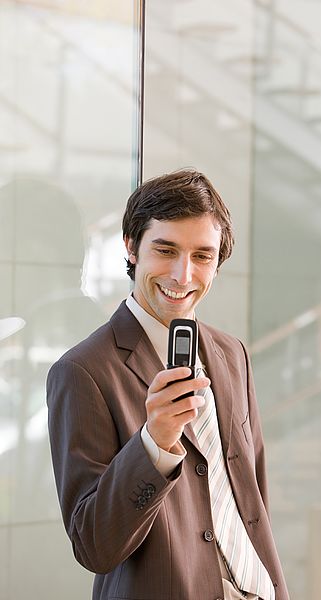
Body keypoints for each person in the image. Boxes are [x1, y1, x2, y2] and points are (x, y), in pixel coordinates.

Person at [47, 169, 289, 600]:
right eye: (166, 249)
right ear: (131, 246)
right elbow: (93, 545)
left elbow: (254, 498)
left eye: (202, 256)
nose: (183, 275)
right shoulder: (83, 371)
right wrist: (153, 444)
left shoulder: (233, 355)